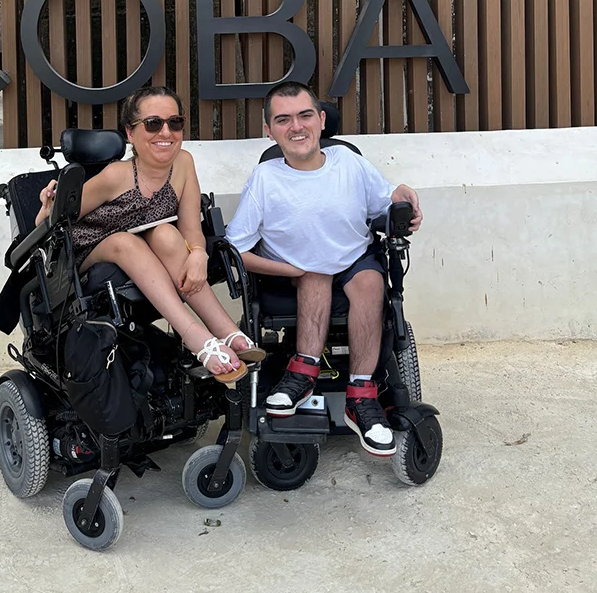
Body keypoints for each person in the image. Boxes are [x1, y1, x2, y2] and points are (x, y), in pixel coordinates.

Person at [225, 80, 422, 456]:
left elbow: (386, 201)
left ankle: (361, 394)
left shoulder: (349, 162)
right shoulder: (265, 178)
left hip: (352, 261)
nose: (296, 127)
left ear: (319, 120)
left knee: (370, 281)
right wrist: (292, 271)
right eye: (283, 120)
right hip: (291, 274)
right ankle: (302, 373)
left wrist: (403, 196)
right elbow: (237, 248)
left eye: (304, 115)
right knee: (314, 274)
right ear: (269, 130)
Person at [35, 86, 264, 384]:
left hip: (147, 242)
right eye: (153, 123)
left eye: (175, 122)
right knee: (123, 241)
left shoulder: (184, 163)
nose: (165, 132)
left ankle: (225, 330)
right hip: (85, 252)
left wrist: (197, 253)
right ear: (131, 134)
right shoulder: (115, 176)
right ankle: (195, 337)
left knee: (168, 235)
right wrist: (46, 204)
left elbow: (190, 224)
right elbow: (53, 223)